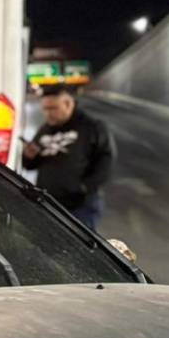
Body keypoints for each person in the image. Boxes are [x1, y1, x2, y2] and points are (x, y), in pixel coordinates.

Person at [23, 85, 116, 231]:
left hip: (81, 205)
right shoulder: (45, 129)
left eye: (53, 108)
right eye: (45, 109)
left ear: (68, 104)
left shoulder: (91, 127)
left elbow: (105, 161)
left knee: (79, 249)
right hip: (49, 202)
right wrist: (28, 156)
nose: (48, 114)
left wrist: (84, 188)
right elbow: (30, 165)